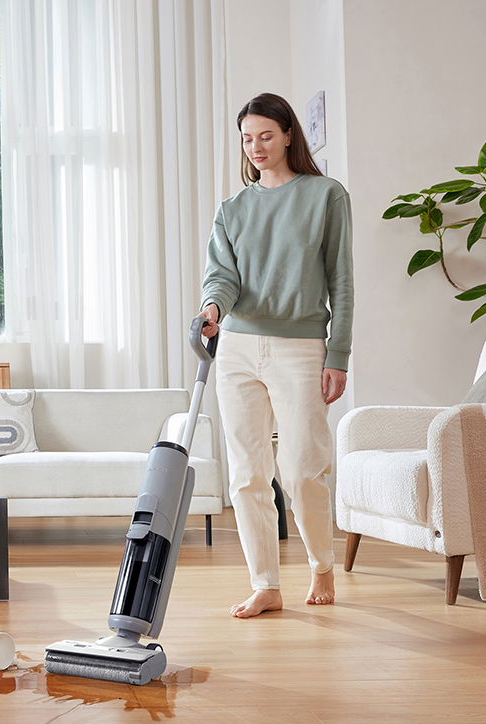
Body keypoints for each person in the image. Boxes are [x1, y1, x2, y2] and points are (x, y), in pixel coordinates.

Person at [197, 92, 353, 618]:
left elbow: (342, 282)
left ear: (288, 135)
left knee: (304, 466)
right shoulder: (232, 209)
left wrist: (339, 354)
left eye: (266, 135)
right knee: (245, 472)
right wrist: (213, 307)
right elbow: (222, 276)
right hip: (237, 346)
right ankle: (265, 583)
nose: (256, 147)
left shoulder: (326, 196)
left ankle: (322, 563)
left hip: (301, 347)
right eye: (247, 138)